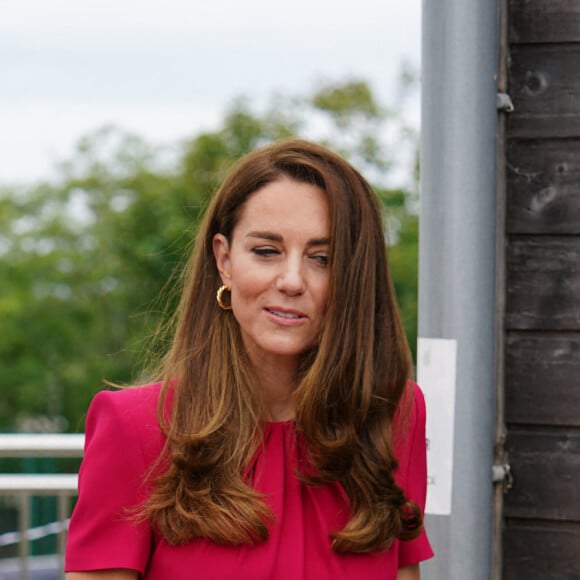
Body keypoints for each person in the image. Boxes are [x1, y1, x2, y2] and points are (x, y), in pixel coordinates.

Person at [65, 139, 433, 579]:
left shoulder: (393, 414)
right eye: (266, 251)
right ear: (224, 260)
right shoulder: (136, 428)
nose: (292, 280)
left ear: (353, 277)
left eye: (322, 259)